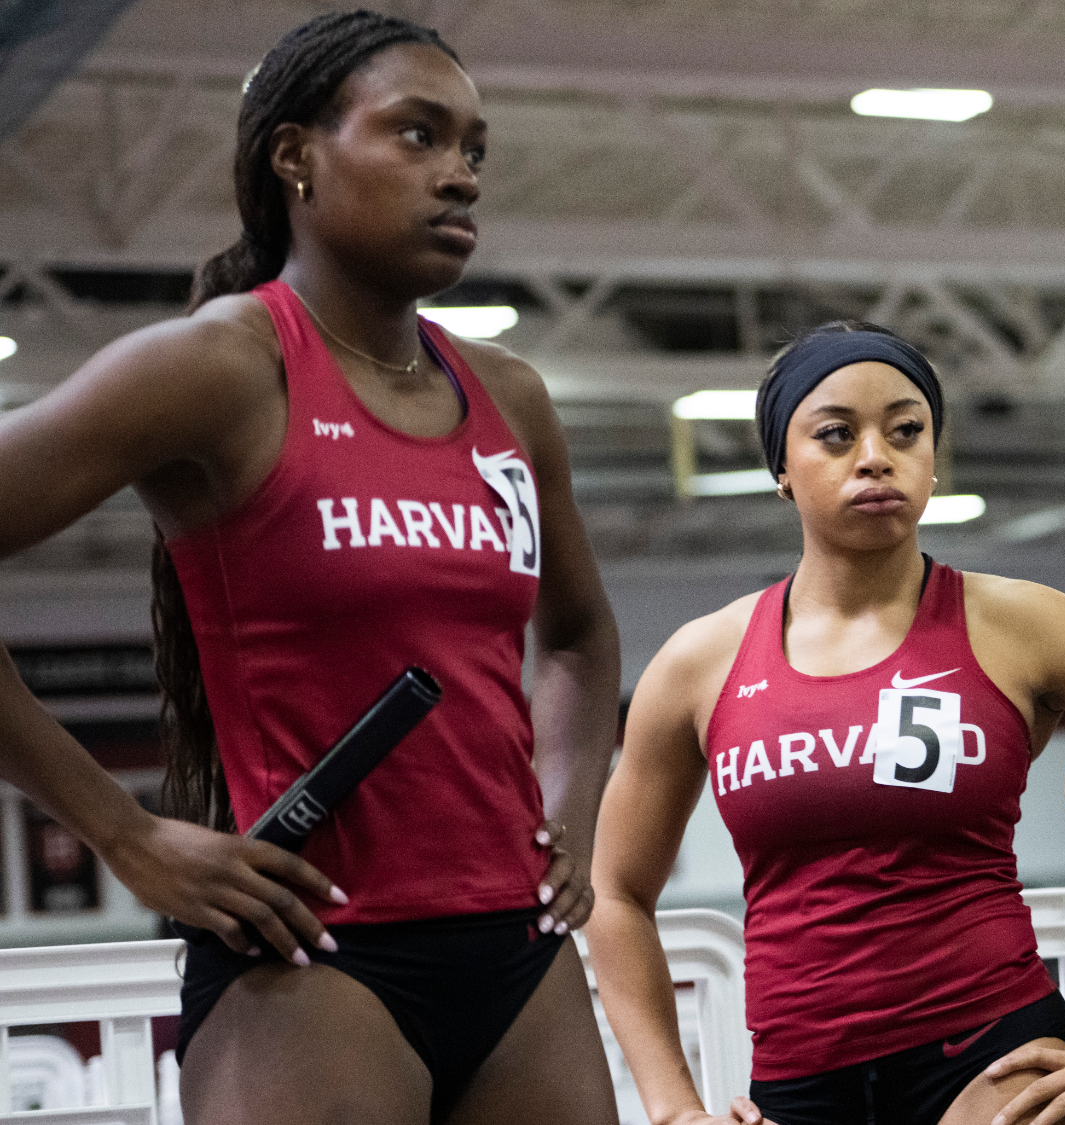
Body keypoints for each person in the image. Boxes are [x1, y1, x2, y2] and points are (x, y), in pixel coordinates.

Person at [0, 12, 622, 1124]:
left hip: (519, 955)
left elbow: (575, 635)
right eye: (418, 136)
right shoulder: (222, 367)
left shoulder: (510, 398)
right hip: (315, 955)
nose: (460, 177)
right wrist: (124, 833)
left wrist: (572, 809)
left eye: (474, 149)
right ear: (295, 157)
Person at [588, 321, 1065, 1125]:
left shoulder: (1024, 624)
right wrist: (675, 1108)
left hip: (995, 1063)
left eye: (905, 430)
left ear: (932, 455)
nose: (875, 454)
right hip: (797, 1086)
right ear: (781, 467)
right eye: (834, 434)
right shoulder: (698, 664)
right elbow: (615, 890)